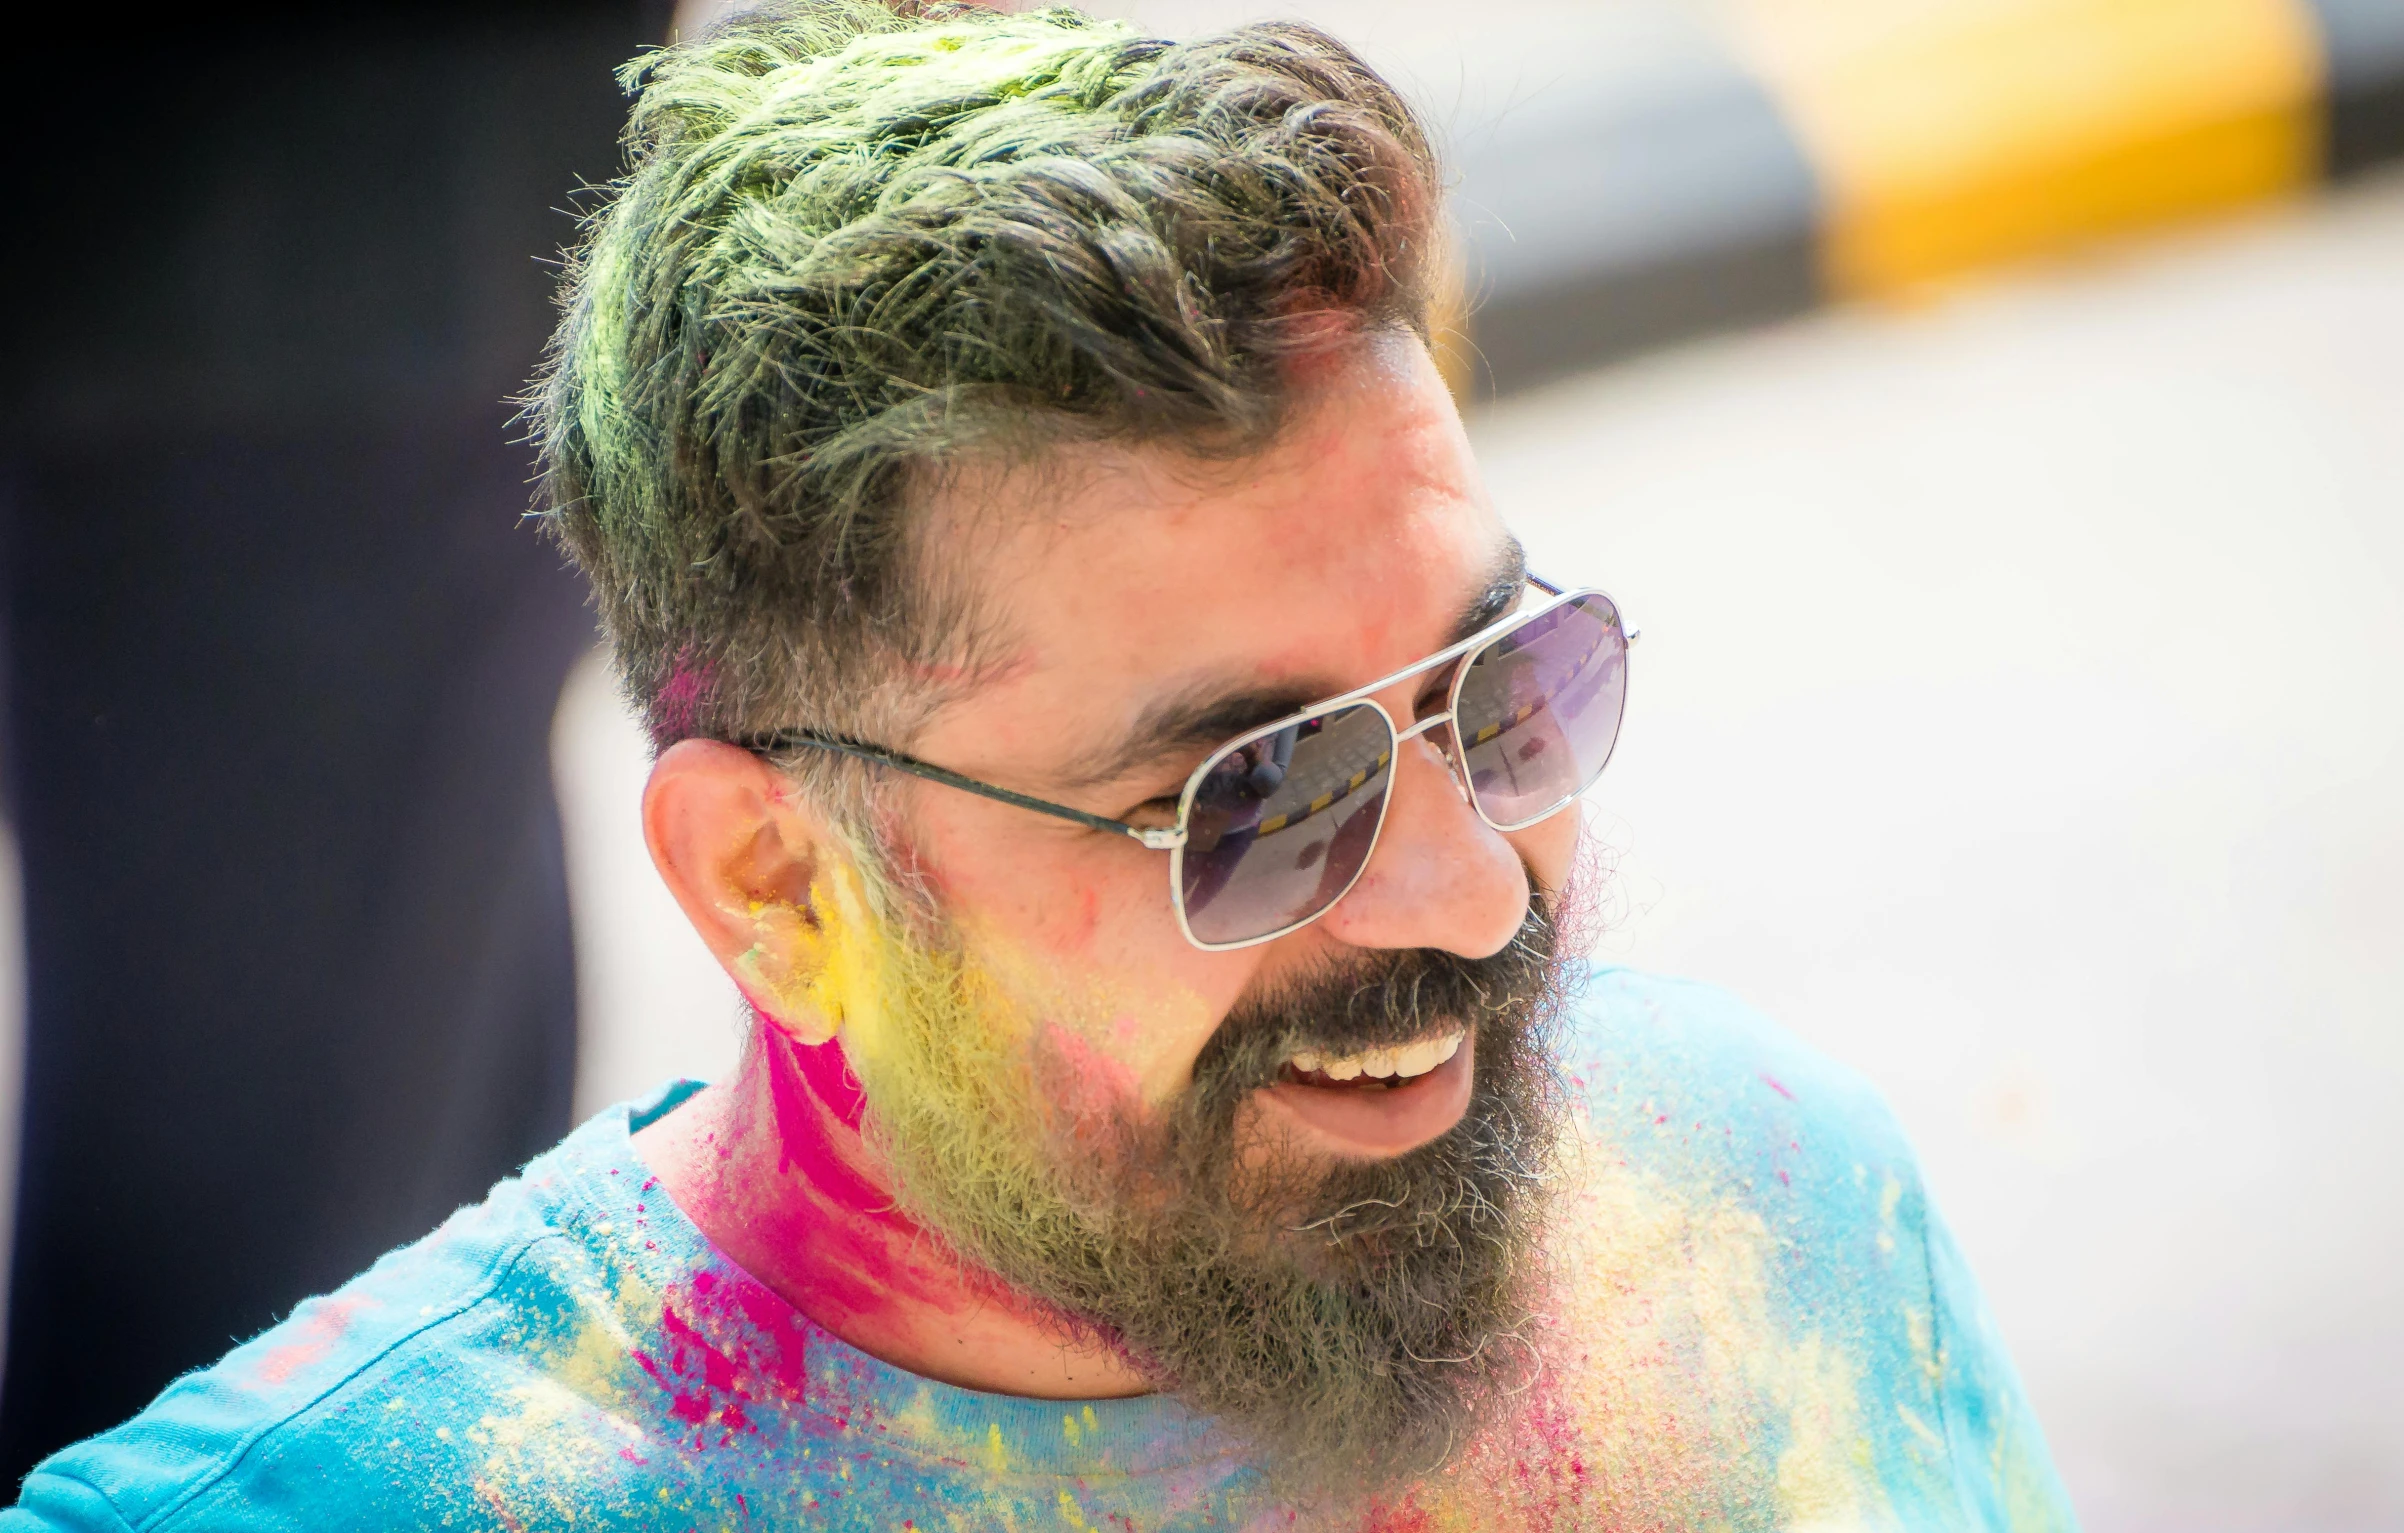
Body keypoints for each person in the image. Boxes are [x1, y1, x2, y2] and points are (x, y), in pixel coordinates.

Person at [2, 4, 2080, 1528]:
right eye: (1259, 799)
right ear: (776, 888)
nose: (1472, 894)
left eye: (1499, 691)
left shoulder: (1768, 1209)